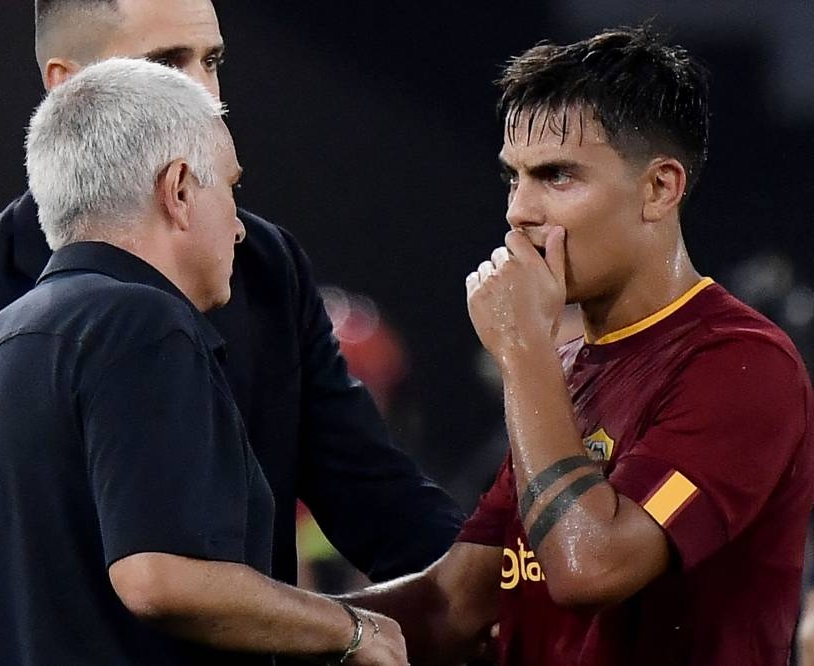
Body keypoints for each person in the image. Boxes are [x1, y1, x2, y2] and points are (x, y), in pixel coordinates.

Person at [0, 0, 463, 661]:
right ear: (67, 87)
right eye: (168, 64)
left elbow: (378, 501)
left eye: (212, 61)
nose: (203, 94)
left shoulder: (262, 267)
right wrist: (348, 631)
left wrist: (517, 591)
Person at [344, 25, 814, 665]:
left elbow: (588, 567)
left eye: (557, 176)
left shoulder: (741, 363)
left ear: (660, 188)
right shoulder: (560, 370)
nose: (518, 211)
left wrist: (524, 353)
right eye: (515, 178)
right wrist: (266, 624)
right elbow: (455, 604)